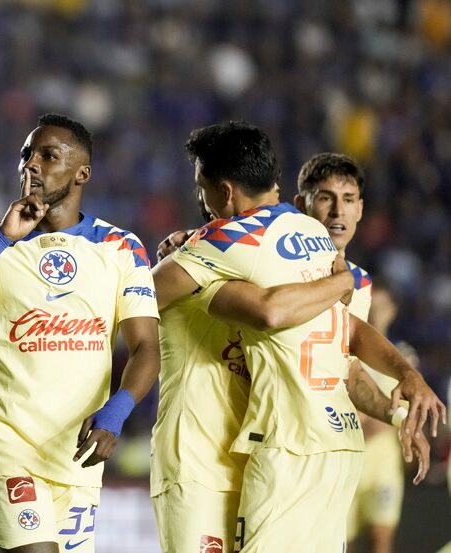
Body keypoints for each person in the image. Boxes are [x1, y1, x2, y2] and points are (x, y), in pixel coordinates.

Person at [151, 122, 444, 551]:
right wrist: (402, 387)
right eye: (327, 199)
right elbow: (346, 344)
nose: (336, 213)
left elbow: (142, 296)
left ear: (226, 192)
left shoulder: (223, 240)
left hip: (276, 449)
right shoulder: (317, 245)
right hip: (324, 446)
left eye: (203, 187)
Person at [0, 113, 160, 553]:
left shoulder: (120, 247)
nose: (32, 164)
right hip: (9, 448)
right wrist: (0, 239)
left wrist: (117, 411)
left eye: (49, 156)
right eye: (27, 155)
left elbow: (146, 347)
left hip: (78, 457)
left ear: (82, 172)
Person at [292, 153, 412, 553]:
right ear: (302, 205)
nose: (337, 210)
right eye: (326, 198)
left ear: (361, 209)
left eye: (348, 199)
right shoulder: (276, 267)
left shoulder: (359, 284)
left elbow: (349, 371)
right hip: (281, 454)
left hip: (337, 459)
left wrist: (400, 417)